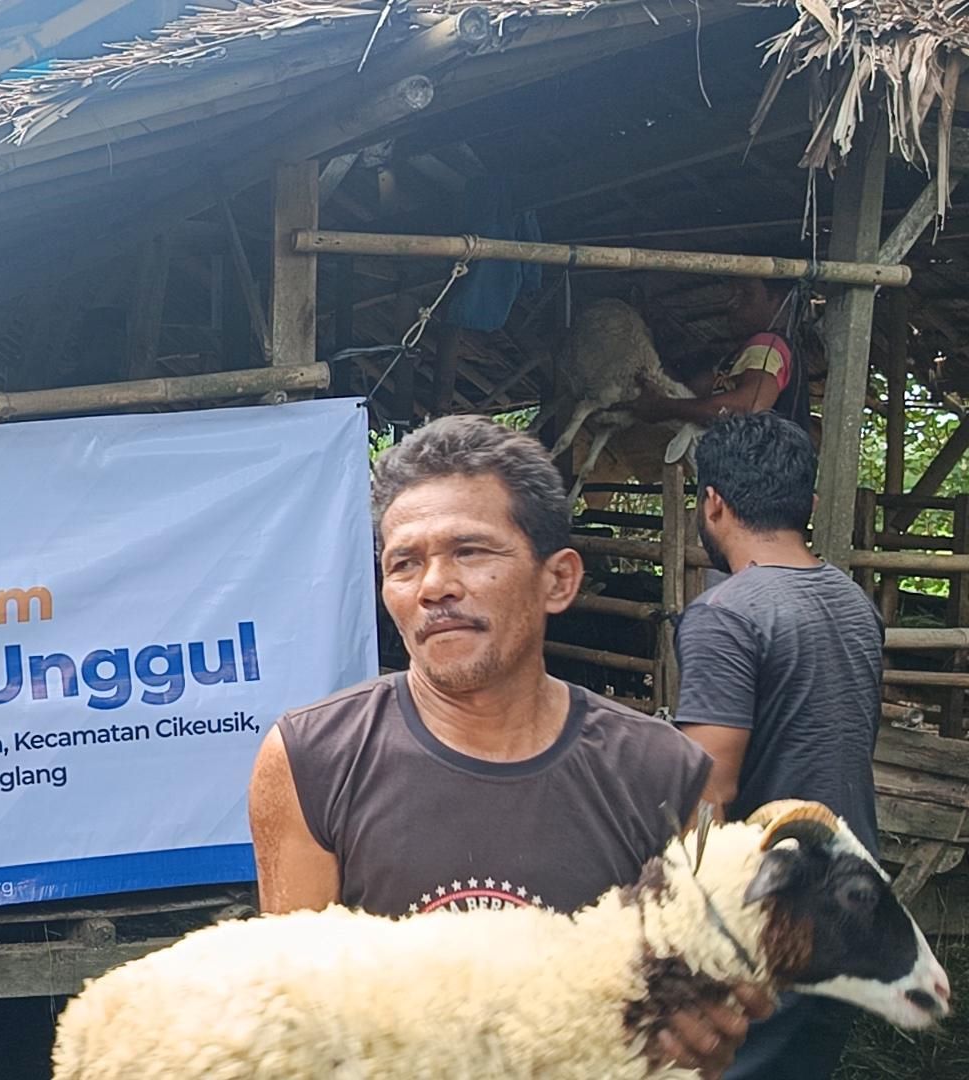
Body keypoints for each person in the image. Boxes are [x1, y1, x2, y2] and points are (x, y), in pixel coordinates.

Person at [247, 414, 770, 1078]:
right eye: (404, 563)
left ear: (559, 581)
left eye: (470, 551)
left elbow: (692, 1017)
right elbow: (293, 1021)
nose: (434, 586)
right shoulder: (311, 760)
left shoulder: (662, 775)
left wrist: (700, 1033)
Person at [674, 411, 885, 1080]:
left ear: (713, 503)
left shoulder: (726, 614)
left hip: (775, 907)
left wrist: (683, 922)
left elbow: (710, 790)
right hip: (855, 888)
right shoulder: (854, 602)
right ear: (810, 505)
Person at [628, 277, 814, 435]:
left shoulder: (768, 343)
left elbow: (747, 410)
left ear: (777, 302)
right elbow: (700, 390)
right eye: (733, 294)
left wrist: (665, 408)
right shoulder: (737, 358)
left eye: (746, 294)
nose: (732, 303)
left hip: (765, 465)